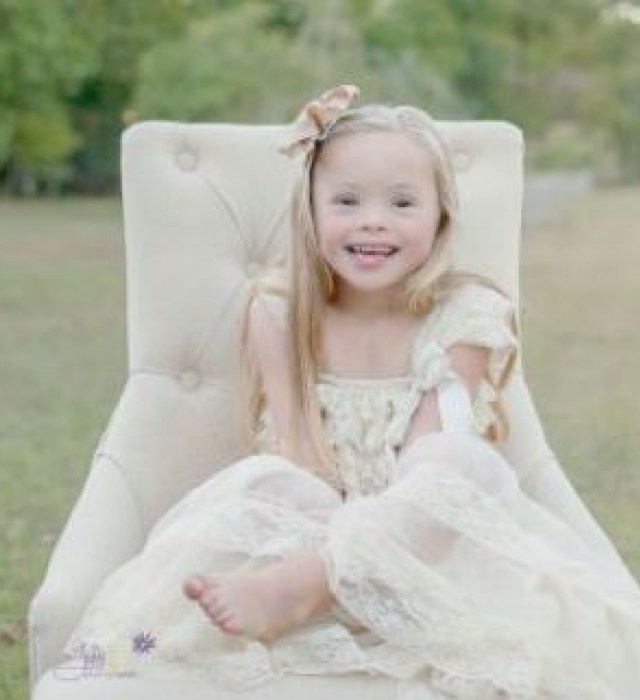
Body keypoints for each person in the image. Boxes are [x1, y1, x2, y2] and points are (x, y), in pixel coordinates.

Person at [62, 86, 640, 699]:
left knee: (462, 462)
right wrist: (332, 539)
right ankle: (312, 584)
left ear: (441, 215)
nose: (373, 220)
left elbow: (429, 476)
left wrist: (364, 555)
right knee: (269, 481)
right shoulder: (280, 311)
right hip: (311, 521)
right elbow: (299, 450)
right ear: (311, 212)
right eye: (346, 200)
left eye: (402, 202)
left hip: (426, 548)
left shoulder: (466, 315)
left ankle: (310, 586)